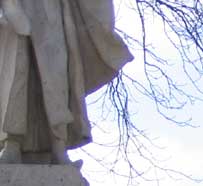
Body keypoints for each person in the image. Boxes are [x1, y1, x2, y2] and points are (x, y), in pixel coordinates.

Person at [0, 0, 133, 164]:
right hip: (15, 8)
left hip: (51, 9)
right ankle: (12, 142)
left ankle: (58, 144)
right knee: (16, 71)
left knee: (55, 76)